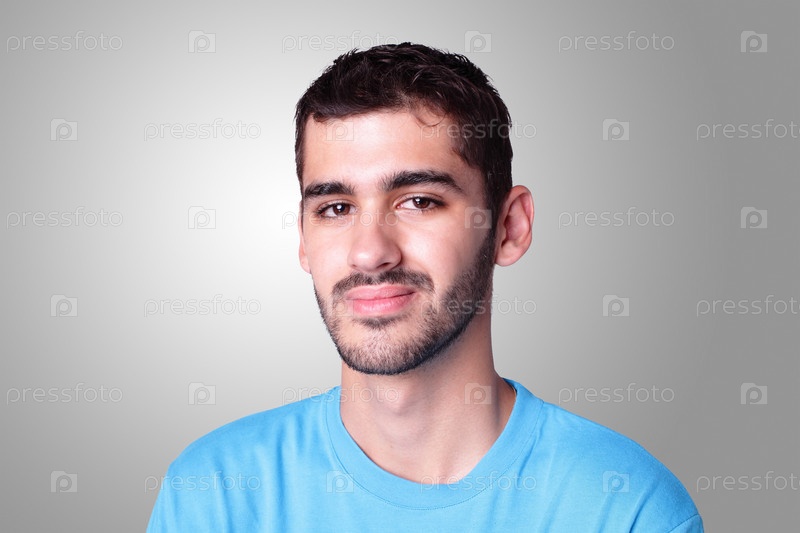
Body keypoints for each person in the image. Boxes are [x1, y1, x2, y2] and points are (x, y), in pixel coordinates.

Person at [147, 42, 703, 532]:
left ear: (509, 227)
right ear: (303, 241)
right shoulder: (214, 492)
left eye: (419, 201)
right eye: (335, 208)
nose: (370, 252)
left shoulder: (625, 507)